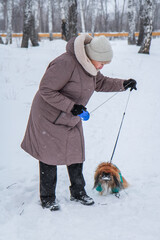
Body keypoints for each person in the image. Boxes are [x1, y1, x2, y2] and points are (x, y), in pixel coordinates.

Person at [21, 33, 137, 211]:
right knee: (49, 156)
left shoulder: (91, 67)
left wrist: (124, 84)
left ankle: (78, 192)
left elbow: (101, 83)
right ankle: (47, 197)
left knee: (76, 152)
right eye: (102, 62)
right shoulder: (66, 63)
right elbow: (45, 89)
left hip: (70, 115)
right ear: (91, 57)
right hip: (48, 116)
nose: (103, 66)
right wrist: (72, 106)